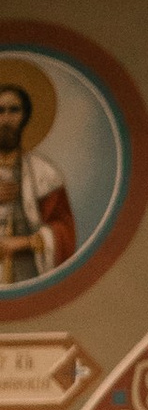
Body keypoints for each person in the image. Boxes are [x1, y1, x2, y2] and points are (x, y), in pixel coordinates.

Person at [0, 74, 75, 283]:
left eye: (13, 110)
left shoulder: (44, 173)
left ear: (25, 116)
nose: (6, 119)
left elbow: (64, 231)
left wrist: (24, 242)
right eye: (0, 111)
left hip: (27, 273)